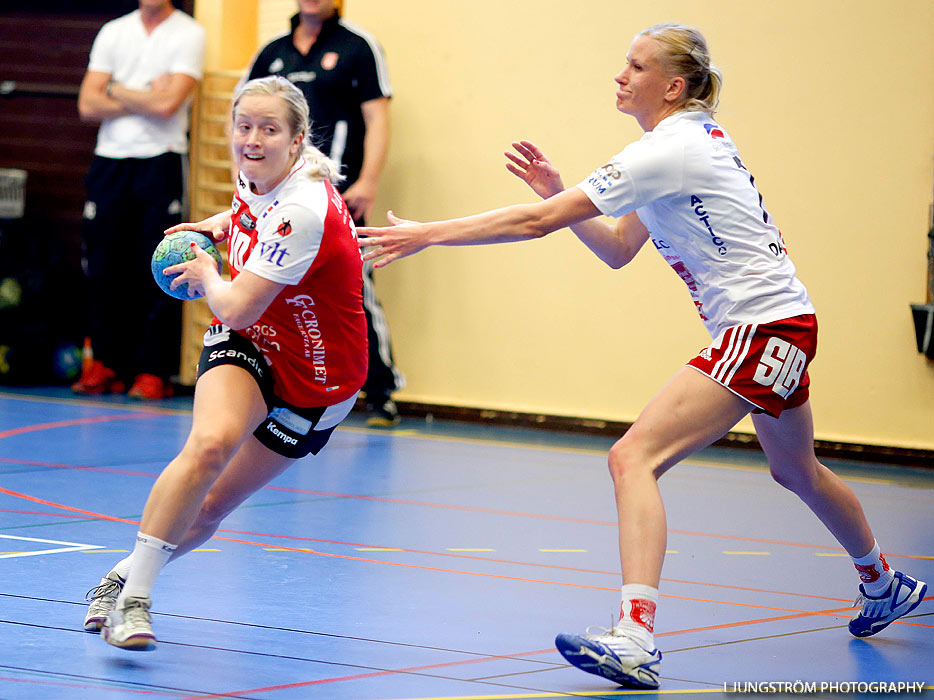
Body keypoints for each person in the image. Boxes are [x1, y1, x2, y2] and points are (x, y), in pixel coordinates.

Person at [358, 23, 927, 689]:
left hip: (761, 329)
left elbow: (533, 227)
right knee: (795, 471)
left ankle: (634, 637)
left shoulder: (674, 147)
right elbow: (618, 248)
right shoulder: (671, 148)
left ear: (674, 86)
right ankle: (883, 583)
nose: (621, 75)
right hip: (785, 325)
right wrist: (556, 192)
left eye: (636, 66)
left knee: (633, 457)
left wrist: (431, 233)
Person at [82, 76, 368, 650]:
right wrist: (218, 225)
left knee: (212, 508)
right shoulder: (259, 174)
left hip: (319, 381)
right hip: (255, 343)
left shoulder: (304, 209)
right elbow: (246, 236)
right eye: (244, 126)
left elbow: (234, 303)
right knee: (209, 445)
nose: (253, 140)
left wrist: (206, 268)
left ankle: (119, 577)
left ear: (296, 141)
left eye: (269, 129)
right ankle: (134, 603)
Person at [244, 0, 404, 426]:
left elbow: (377, 118)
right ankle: (275, 382)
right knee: (274, 287)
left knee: (357, 290)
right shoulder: (272, 52)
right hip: (280, 199)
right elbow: (246, 117)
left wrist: (367, 180)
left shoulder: (358, 47)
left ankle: (382, 390)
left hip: (337, 196)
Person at [73, 0, 206, 399]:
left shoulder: (189, 33)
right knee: (102, 263)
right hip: (110, 161)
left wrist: (112, 88)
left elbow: (168, 105)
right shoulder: (114, 30)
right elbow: (87, 103)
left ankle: (152, 370)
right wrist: (141, 94)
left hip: (160, 159)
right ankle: (106, 363)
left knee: (163, 263)